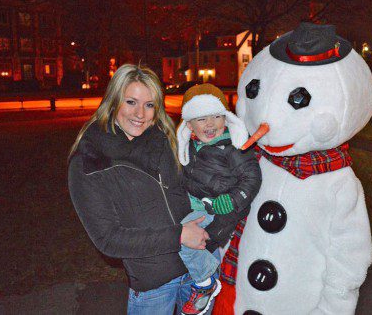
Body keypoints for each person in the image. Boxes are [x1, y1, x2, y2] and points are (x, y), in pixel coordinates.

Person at [68, 64, 212, 315]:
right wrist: (178, 236)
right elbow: (108, 240)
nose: (140, 114)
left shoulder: (165, 138)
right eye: (131, 102)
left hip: (198, 271)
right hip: (154, 286)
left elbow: (185, 192)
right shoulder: (90, 160)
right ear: (113, 102)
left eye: (149, 105)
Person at [176, 84, 262, 315]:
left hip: (219, 208)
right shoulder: (192, 146)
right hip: (198, 205)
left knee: (182, 240)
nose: (211, 124)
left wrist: (232, 200)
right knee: (176, 236)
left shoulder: (233, 146)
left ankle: (205, 283)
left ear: (227, 118)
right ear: (189, 124)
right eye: (202, 119)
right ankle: (207, 274)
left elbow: (251, 177)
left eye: (216, 116)